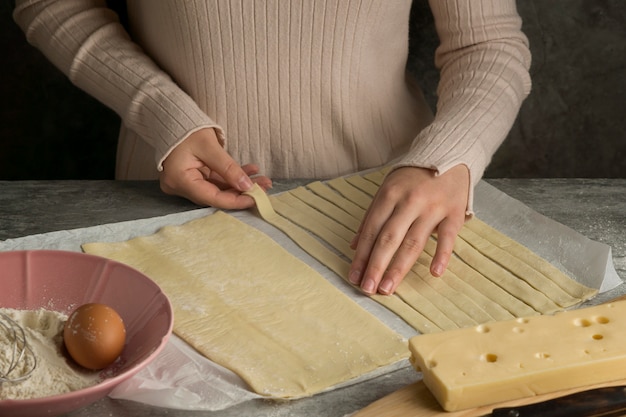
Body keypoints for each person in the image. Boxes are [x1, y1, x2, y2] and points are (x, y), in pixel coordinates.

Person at [14, 0, 531, 296]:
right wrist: (162, 114)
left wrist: (449, 155)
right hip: (165, 203)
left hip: (386, 218)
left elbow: (486, 44)